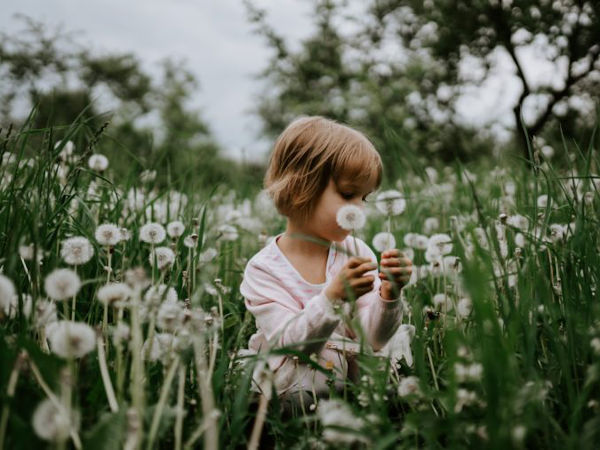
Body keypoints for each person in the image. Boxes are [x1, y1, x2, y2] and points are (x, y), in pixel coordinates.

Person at [239, 115, 413, 417]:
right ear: (298, 188)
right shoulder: (264, 269)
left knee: (382, 376)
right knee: (306, 385)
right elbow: (291, 346)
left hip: (353, 371)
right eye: (348, 194)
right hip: (297, 376)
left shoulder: (356, 252)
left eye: (365, 197)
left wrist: (389, 294)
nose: (358, 207)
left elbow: (373, 339)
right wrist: (332, 300)